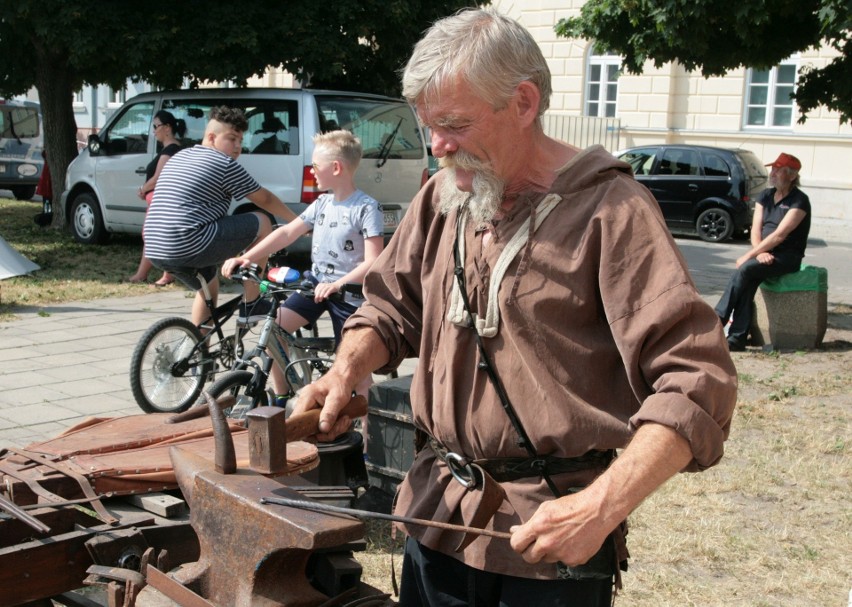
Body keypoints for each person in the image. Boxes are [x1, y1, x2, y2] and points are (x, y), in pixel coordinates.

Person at [291, 9, 737, 606]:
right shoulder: (444, 195)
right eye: (429, 125)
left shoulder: (612, 211)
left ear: (524, 103)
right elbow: (390, 307)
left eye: (454, 123)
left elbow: (696, 383)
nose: (438, 145)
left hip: (547, 545)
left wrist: (602, 507)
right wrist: (348, 366)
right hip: (437, 517)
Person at [222, 130, 384, 406]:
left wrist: (338, 283)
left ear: (336, 168)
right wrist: (247, 257)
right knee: (273, 329)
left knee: (357, 372)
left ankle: (369, 445)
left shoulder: (366, 208)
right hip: (315, 285)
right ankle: (283, 394)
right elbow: (287, 233)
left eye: (315, 166)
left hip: (349, 296)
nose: (311, 172)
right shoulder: (321, 203)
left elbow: (373, 260)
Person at [143, 106, 297, 327]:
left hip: (155, 248)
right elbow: (264, 199)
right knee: (263, 220)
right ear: (212, 137)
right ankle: (252, 303)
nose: (237, 147)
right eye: (232, 139)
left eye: (240, 141)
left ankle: (200, 355)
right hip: (189, 243)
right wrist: (297, 221)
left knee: (209, 285)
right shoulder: (222, 163)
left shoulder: (180, 156)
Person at [715, 153, 811, 351]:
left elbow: (779, 236)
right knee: (747, 281)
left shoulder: (799, 201)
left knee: (745, 270)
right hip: (764, 253)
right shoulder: (765, 196)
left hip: (787, 257)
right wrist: (758, 253)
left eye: (778, 170)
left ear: (792, 176)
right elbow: (755, 230)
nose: (772, 173)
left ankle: (718, 318)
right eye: (773, 169)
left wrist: (749, 255)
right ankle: (737, 338)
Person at [127, 110, 185, 286]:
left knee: (152, 236)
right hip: (161, 199)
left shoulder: (171, 150)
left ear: (167, 128)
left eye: (156, 126)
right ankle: (165, 275)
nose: (153, 131)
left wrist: (143, 189)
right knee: (160, 237)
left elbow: (158, 176)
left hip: (160, 200)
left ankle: (143, 274)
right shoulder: (173, 149)